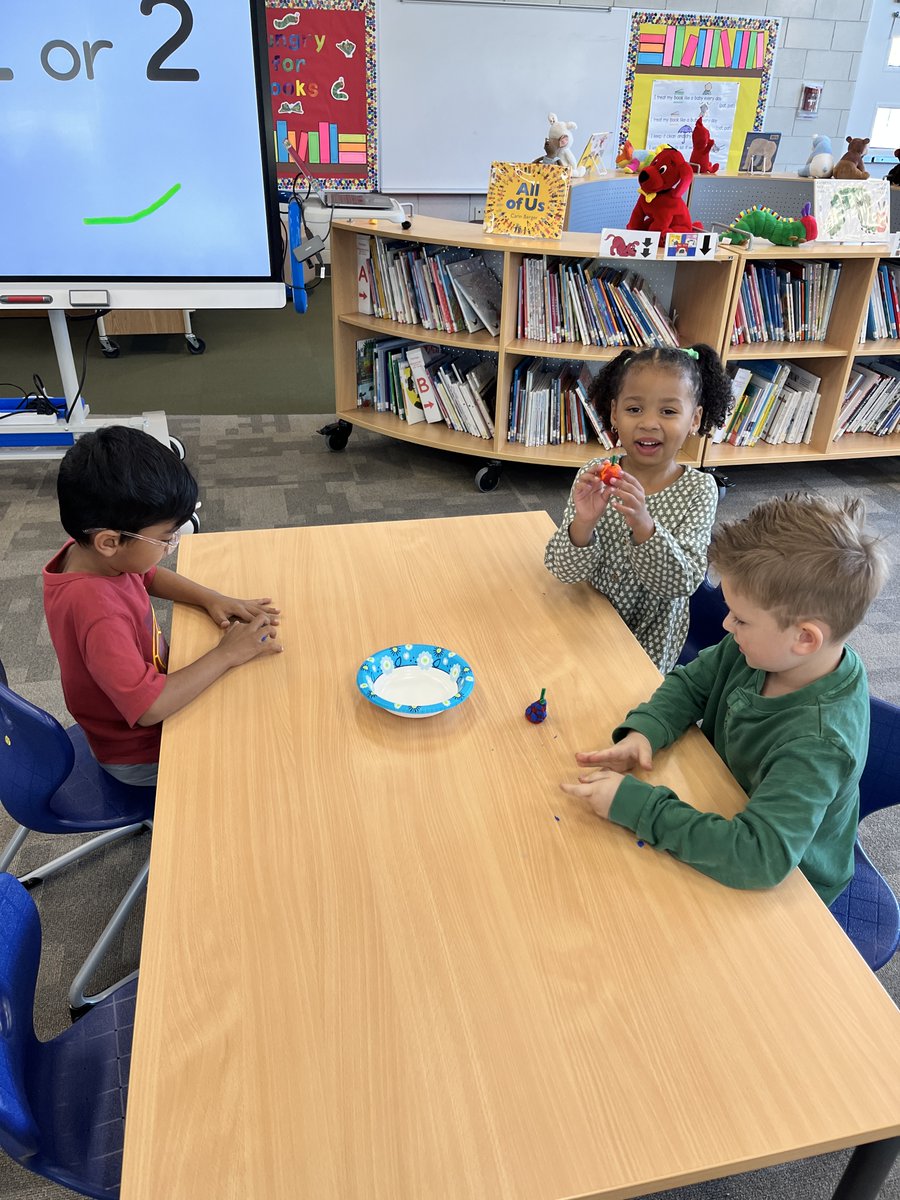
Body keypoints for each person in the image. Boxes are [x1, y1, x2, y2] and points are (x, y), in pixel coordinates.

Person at [561, 494, 888, 905]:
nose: (726, 623)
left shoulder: (818, 743)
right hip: (722, 800)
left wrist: (639, 807)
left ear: (805, 637)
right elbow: (691, 684)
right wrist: (646, 730)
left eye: (742, 618)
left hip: (791, 886)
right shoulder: (760, 648)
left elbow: (759, 858)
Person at [43, 426, 283, 788]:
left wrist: (211, 597)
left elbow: (148, 576)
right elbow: (149, 709)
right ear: (110, 541)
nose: (171, 544)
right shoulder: (97, 612)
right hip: (139, 752)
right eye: (165, 537)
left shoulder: (94, 555)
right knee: (262, 749)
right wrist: (226, 654)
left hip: (140, 712)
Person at [544, 344, 732, 673]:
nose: (648, 423)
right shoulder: (594, 473)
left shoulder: (699, 490)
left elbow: (683, 582)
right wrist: (583, 525)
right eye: (634, 409)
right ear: (614, 413)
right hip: (586, 621)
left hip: (649, 641)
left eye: (668, 412)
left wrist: (645, 526)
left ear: (695, 419)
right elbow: (564, 571)